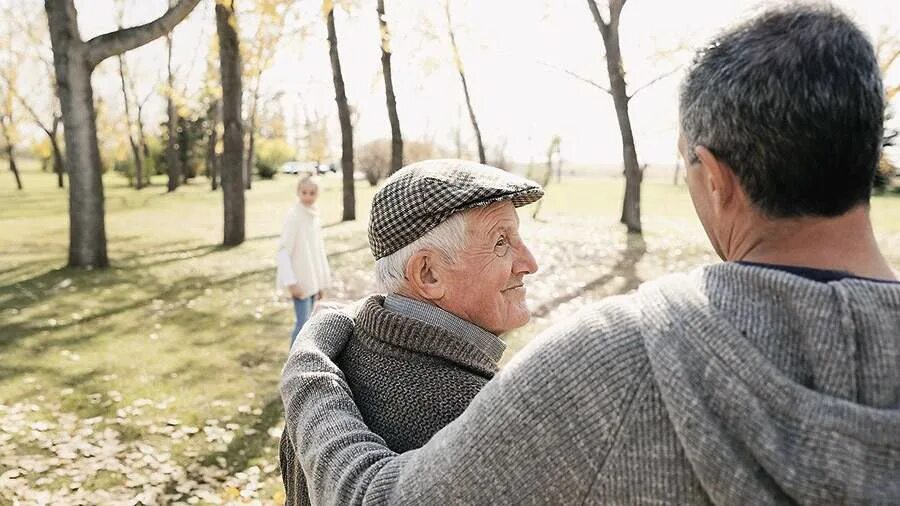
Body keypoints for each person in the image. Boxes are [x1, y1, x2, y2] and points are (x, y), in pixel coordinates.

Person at [280, 5, 900, 504]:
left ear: (715, 177)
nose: (529, 261)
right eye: (502, 240)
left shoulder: (618, 358)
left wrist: (310, 368)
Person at [279, 159, 543, 505]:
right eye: (500, 242)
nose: (529, 262)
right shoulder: (478, 419)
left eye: (517, 237)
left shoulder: (338, 359)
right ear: (428, 274)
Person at [276, 174, 331, 347]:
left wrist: (321, 283)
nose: (308, 196)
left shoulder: (314, 215)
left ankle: (304, 358)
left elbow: (317, 251)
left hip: (312, 278)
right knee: (302, 324)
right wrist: (291, 282)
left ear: (318, 194)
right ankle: (294, 363)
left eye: (312, 193)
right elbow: (283, 251)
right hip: (299, 280)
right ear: (298, 192)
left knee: (309, 323)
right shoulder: (294, 216)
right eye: (304, 192)